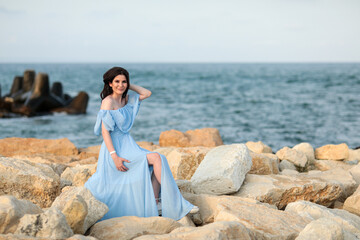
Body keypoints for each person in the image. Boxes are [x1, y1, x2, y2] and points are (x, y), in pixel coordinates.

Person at [84, 66, 198, 221]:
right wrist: (114, 156)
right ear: (109, 83)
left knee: (159, 160)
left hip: (128, 144)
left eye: (124, 82)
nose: (121, 85)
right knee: (156, 158)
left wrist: (127, 85)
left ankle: (155, 202)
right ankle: (177, 203)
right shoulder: (108, 102)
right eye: (117, 81)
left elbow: (146, 93)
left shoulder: (127, 99)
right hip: (115, 148)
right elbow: (105, 133)